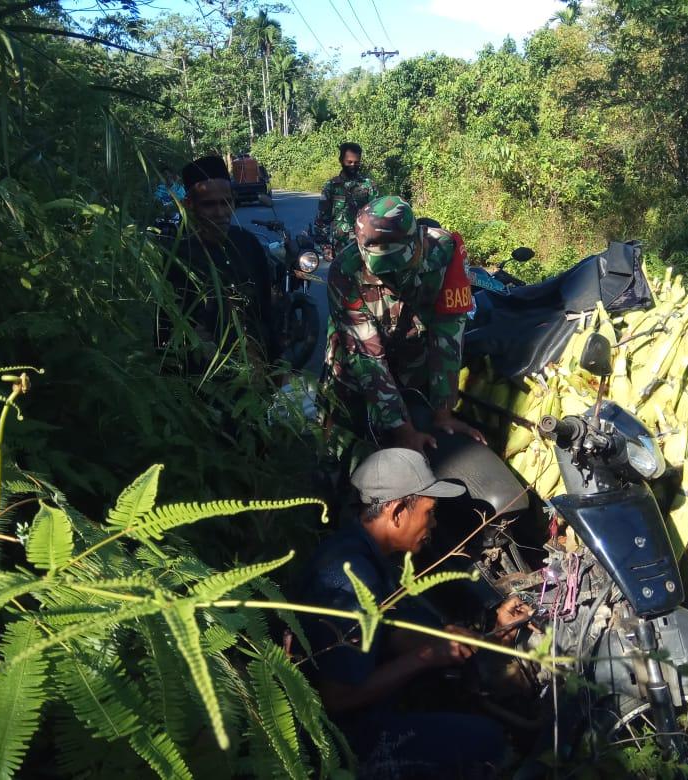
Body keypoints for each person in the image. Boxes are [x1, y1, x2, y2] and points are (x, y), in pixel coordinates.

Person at [300, 448, 524, 778]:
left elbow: (391, 633)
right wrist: (425, 656)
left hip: (371, 708)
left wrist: (488, 634)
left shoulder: (365, 551)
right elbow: (335, 698)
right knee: (489, 744)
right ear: (396, 512)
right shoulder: (349, 578)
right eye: (429, 512)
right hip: (342, 740)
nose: (434, 523)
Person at [322, 195, 485, 453]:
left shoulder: (445, 252)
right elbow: (367, 357)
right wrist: (404, 431)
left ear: (417, 242)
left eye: (398, 265)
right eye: (383, 271)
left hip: (414, 361)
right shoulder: (345, 271)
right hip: (357, 371)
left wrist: (443, 413)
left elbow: (449, 333)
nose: (392, 278)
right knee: (344, 443)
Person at [155, 155, 274, 368]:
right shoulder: (178, 256)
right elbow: (166, 326)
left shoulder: (249, 244)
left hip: (253, 370)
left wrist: (272, 363)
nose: (220, 213)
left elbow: (265, 309)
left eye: (226, 202)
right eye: (209, 205)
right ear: (190, 204)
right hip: (204, 375)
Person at [314, 142, 378, 257]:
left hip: (365, 245)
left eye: (357, 162)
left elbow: (377, 215)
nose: (353, 165)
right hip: (340, 247)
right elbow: (322, 219)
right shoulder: (332, 186)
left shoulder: (368, 185)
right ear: (341, 161)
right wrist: (325, 246)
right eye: (349, 162)